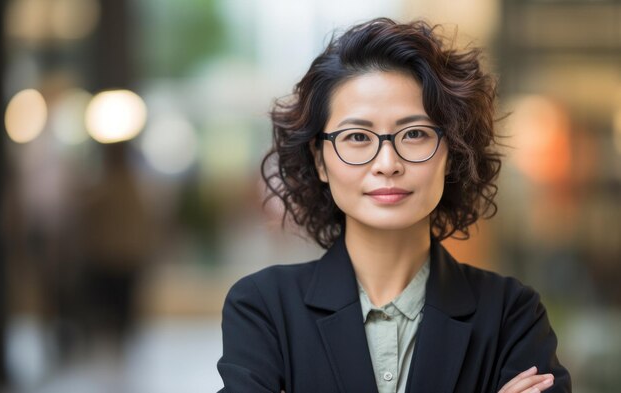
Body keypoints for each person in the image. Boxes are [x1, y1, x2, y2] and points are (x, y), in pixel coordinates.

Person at [217, 18, 571, 393]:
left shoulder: (510, 315)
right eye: (357, 136)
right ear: (320, 160)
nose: (387, 163)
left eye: (415, 134)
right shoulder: (264, 308)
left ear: (451, 153)